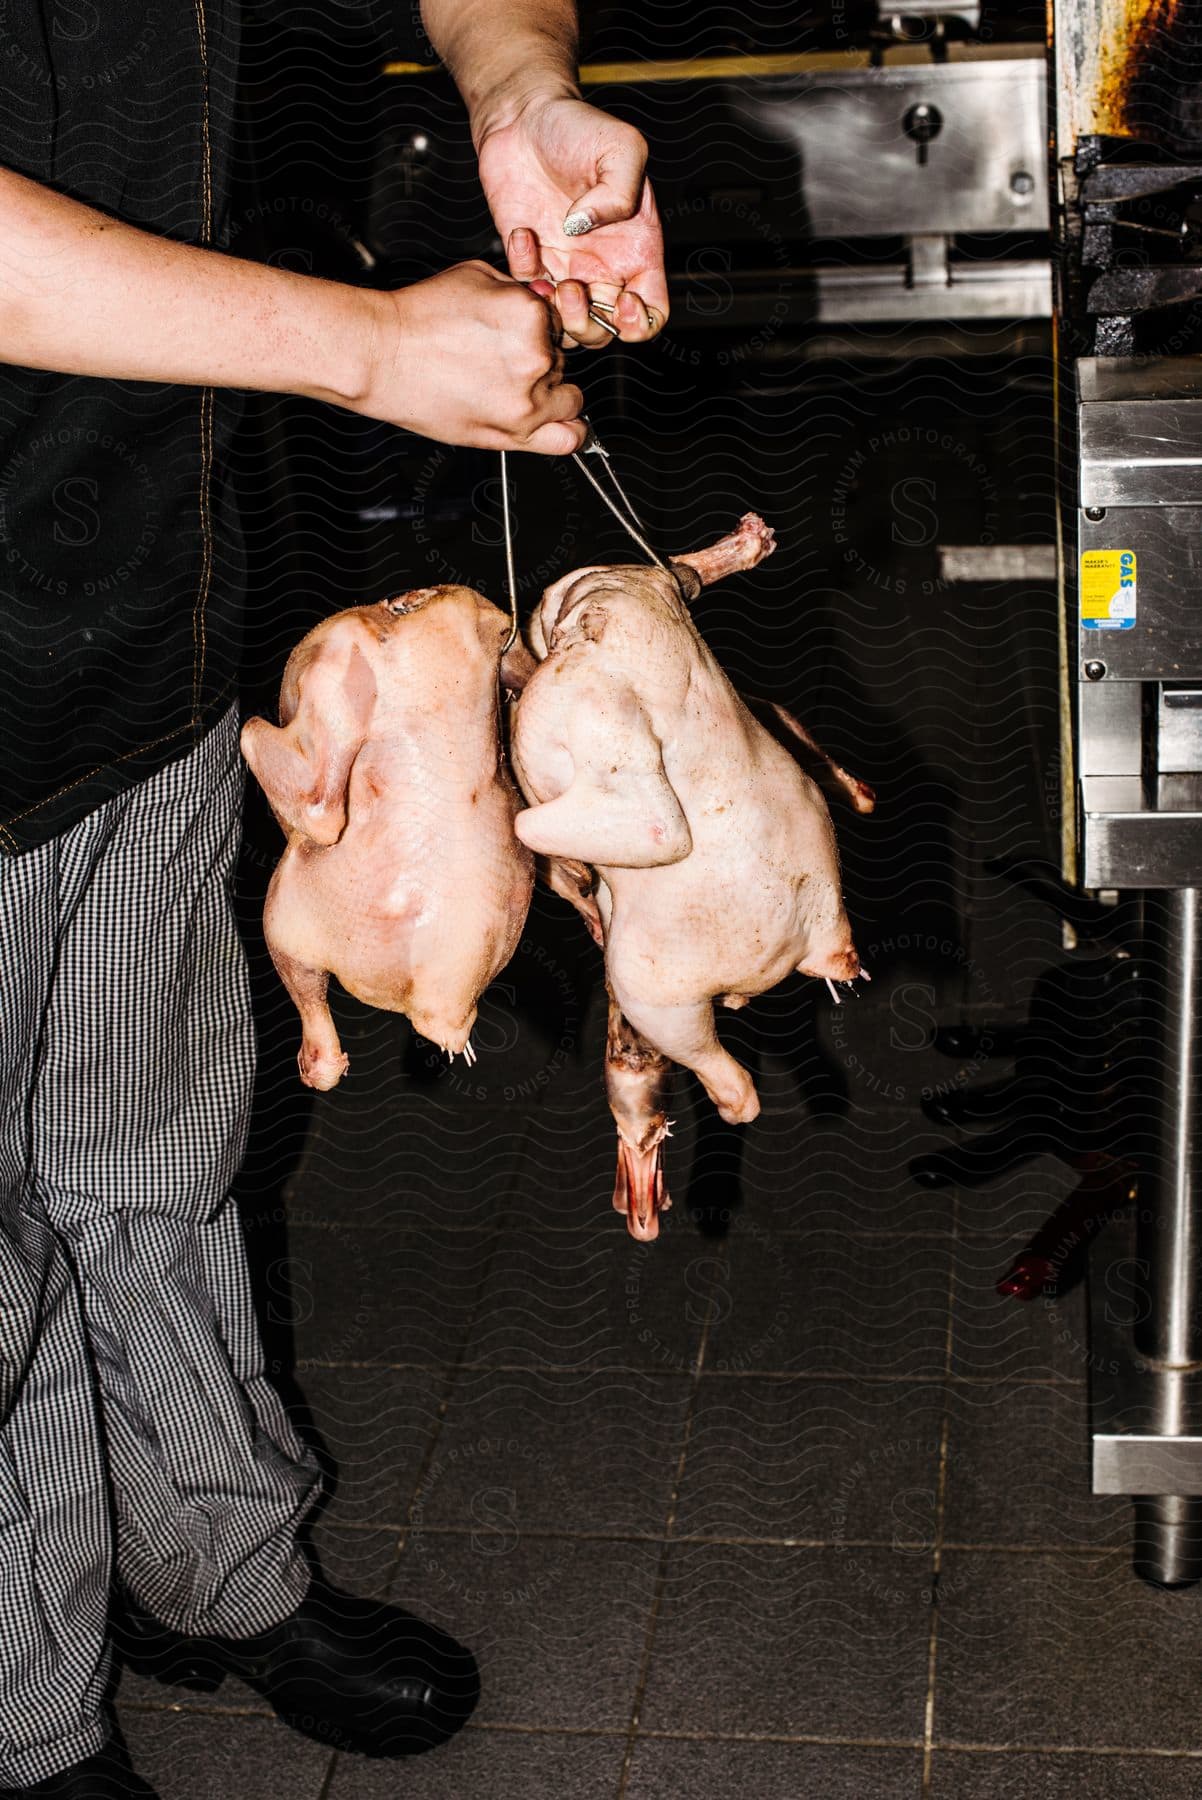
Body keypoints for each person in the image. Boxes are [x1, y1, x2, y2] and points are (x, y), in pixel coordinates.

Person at [0, 3, 667, 1795]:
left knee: (153, 1156)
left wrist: (516, 81)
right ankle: (27, 1719)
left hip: (131, 590)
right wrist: (365, 348)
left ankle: (210, 1569)